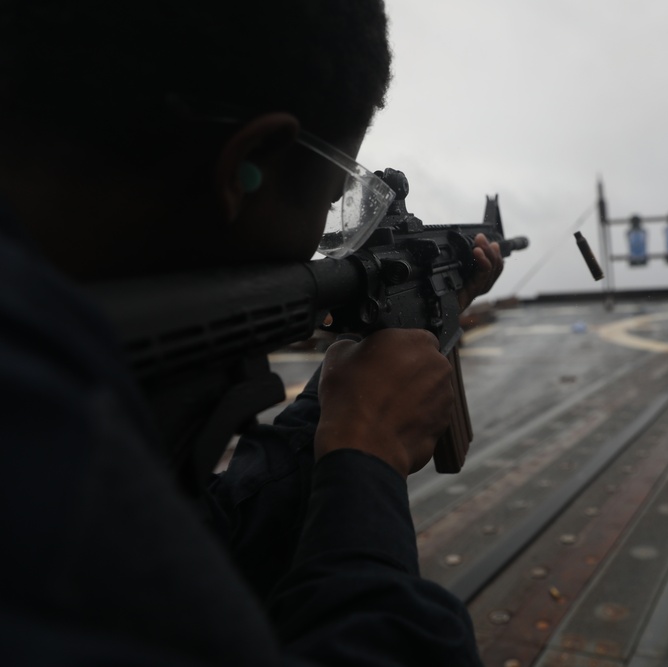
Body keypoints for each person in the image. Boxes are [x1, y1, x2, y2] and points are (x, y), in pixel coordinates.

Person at [0, 0, 499, 664]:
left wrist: (344, 407)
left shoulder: (48, 391)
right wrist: (367, 457)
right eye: (330, 198)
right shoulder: (57, 478)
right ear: (250, 163)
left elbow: (198, 535)